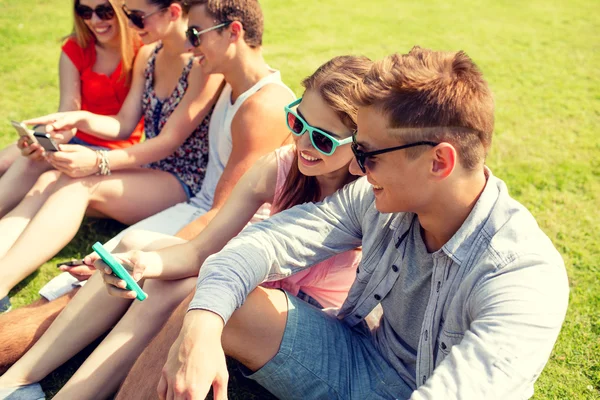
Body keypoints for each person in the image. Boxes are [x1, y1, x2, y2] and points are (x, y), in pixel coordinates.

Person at [128, 46, 569, 400]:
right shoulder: (375, 198)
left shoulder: (522, 276)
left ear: (439, 161)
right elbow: (256, 248)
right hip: (359, 358)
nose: (356, 167)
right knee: (212, 301)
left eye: (368, 153)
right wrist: (202, 326)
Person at [0, 54, 370, 400]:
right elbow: (202, 247)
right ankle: (17, 380)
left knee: (187, 284)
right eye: (297, 122)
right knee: (137, 248)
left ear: (359, 144)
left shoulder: (372, 195)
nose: (304, 143)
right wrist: (141, 263)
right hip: (253, 285)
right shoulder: (282, 165)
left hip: (303, 322)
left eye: (322, 139)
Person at [0, 0, 295, 394]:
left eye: (196, 34)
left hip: (224, 229)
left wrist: (158, 259)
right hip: (200, 211)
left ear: (234, 31)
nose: (189, 46)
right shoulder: (227, 81)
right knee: (108, 264)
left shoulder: (263, 105)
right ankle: (18, 380)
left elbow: (222, 213)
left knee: (123, 269)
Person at [0, 0, 225, 311]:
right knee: (52, 176)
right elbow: (123, 124)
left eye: (135, 17)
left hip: (185, 180)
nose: (130, 26)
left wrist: (97, 162)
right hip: (152, 168)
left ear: (173, 12)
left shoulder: (201, 65)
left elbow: (169, 141)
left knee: (79, 184)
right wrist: (77, 118)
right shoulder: (150, 53)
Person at [0, 0, 144, 221]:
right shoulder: (76, 48)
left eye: (105, 11)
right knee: (16, 159)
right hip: (74, 139)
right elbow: (68, 111)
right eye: (85, 11)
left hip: (114, 151)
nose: (95, 21)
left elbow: (124, 125)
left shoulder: (142, 51)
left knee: (34, 170)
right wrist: (47, 137)